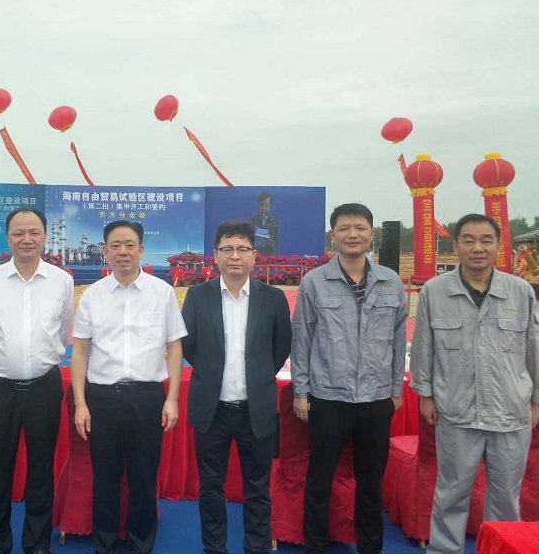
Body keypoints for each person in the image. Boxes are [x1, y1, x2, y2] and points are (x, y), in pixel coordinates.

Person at [410, 213, 539, 554]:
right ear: (455, 246)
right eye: (468, 240)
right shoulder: (435, 291)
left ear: (498, 246)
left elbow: (534, 348)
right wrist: (425, 394)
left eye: (486, 240)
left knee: (506, 498)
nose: (477, 248)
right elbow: (423, 346)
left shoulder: (520, 291)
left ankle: (502, 548)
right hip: (456, 411)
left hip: (510, 413)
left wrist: (536, 400)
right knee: (451, 493)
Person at [290, 203, 407, 554]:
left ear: (372, 234)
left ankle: (370, 548)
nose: (352, 234)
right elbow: (302, 339)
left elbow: (398, 340)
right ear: (333, 235)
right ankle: (315, 547)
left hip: (376, 399)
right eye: (344, 228)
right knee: (320, 480)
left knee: (370, 484)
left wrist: (395, 389)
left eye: (360, 228)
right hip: (328, 398)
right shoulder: (314, 281)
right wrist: (301, 391)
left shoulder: (390, 281)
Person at [71, 220, 187, 554]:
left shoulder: (161, 292)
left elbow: (174, 346)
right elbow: (79, 351)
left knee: (144, 478)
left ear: (141, 250)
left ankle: (140, 545)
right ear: (105, 251)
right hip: (103, 399)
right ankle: (104, 545)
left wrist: (172, 398)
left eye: (130, 245)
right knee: (104, 478)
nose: (123, 252)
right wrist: (81, 403)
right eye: (115, 245)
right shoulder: (92, 295)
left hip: (147, 398)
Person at [181, 220, 292, 554]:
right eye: (227, 249)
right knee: (210, 488)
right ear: (215, 256)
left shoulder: (273, 298)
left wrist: (258, 377)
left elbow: (281, 348)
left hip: (255, 409)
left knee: (257, 489)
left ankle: (256, 547)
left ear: (254, 256)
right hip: (211, 409)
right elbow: (189, 346)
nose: (234, 256)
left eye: (242, 249)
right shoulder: (197, 296)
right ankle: (214, 548)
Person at [0, 208, 74, 554]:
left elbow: (63, 329)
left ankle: (37, 546)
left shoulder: (62, 280)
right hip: (1, 389)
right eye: (18, 233)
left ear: (45, 237)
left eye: (34, 232)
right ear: (8, 237)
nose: (26, 239)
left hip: (45, 387)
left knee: (41, 473)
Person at [248, 192, 280, 256]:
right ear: (258, 206)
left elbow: (276, 245)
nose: (263, 208)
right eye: (261, 205)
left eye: (266, 205)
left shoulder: (274, 225)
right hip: (254, 258)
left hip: (268, 259)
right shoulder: (250, 223)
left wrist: (270, 241)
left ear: (270, 207)